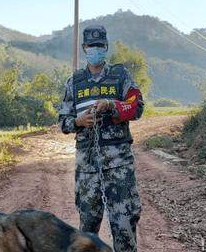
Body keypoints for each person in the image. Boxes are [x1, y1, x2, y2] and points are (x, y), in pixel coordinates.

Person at [58, 25, 144, 252]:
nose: (95, 50)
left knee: (124, 226)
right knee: (87, 230)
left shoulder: (120, 76)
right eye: (90, 46)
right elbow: (63, 122)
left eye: (99, 46)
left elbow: (137, 107)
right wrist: (78, 122)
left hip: (119, 166)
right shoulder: (74, 83)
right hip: (87, 169)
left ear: (105, 47)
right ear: (84, 48)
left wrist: (112, 106)